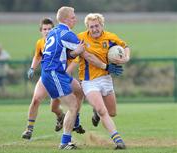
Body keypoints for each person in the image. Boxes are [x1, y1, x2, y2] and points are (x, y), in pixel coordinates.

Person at [21, 17, 84, 140]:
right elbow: (37, 56)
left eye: (49, 28)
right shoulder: (40, 42)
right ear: (41, 31)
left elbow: (73, 57)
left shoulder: (60, 38)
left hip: (60, 75)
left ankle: (71, 119)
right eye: (45, 29)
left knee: (55, 106)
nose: (47, 31)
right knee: (36, 99)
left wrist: (66, 72)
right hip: (49, 74)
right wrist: (32, 68)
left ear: (53, 29)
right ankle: (29, 129)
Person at [77, 13, 130, 149]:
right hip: (89, 81)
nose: (94, 29)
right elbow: (88, 57)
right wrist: (107, 66)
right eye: (91, 27)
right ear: (87, 27)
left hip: (106, 79)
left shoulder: (110, 37)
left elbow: (125, 46)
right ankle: (118, 141)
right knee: (102, 110)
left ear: (102, 25)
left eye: (97, 26)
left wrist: (126, 58)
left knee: (112, 113)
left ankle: (96, 112)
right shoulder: (81, 38)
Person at [41, 7, 85, 150]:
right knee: (72, 105)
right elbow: (85, 50)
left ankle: (76, 122)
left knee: (79, 90)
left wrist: (73, 54)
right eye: (73, 17)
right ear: (65, 19)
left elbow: (65, 52)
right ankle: (65, 142)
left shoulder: (53, 31)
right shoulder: (67, 33)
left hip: (57, 72)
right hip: (54, 73)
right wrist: (106, 62)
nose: (75, 19)